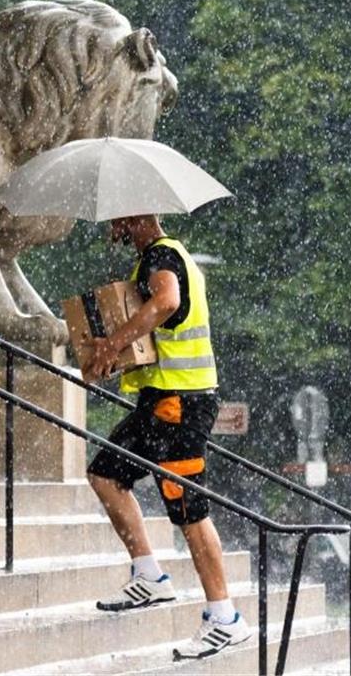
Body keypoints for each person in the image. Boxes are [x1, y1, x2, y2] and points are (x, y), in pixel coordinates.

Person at [84, 214, 251, 661]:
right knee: (105, 473)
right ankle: (150, 575)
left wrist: (113, 343)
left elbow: (166, 303)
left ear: (136, 216)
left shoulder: (162, 255)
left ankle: (225, 619)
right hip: (161, 402)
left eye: (117, 219)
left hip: (181, 404)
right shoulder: (155, 259)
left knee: (189, 510)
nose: (111, 228)